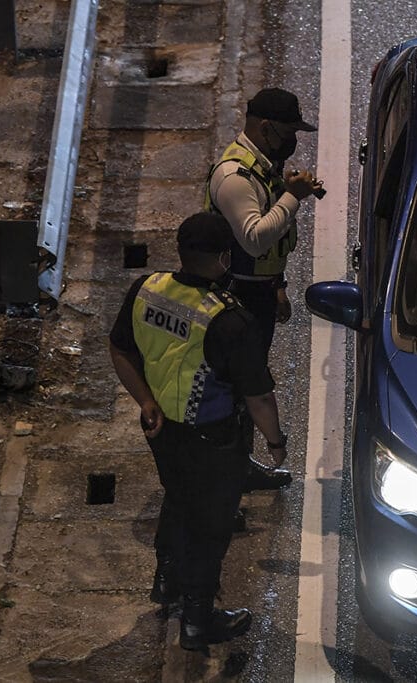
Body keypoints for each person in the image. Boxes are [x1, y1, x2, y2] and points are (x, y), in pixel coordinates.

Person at [109, 212, 290, 650]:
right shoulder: (229, 321)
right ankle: (197, 620)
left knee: (178, 497)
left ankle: (167, 580)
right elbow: (259, 398)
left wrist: (146, 402)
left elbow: (119, 348)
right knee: (211, 529)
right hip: (213, 440)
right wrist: (275, 442)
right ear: (225, 258)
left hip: (161, 433)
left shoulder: (146, 289)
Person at [204, 87, 324, 491]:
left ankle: (241, 465)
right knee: (241, 385)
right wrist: (293, 196)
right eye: (288, 131)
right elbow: (255, 238)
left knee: (244, 384)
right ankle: (226, 477)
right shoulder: (235, 177)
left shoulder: (263, 165)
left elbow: (268, 251)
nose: (292, 140)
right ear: (267, 127)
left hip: (257, 291)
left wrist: (278, 287)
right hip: (235, 295)